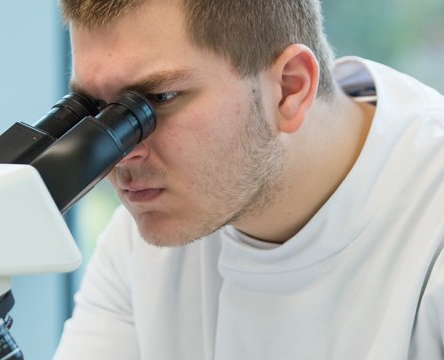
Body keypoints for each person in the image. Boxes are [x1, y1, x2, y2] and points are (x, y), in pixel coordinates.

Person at [53, 0, 444, 358]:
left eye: (159, 98)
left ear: (290, 89)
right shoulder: (143, 236)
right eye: (97, 109)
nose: (119, 152)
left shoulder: (431, 221)